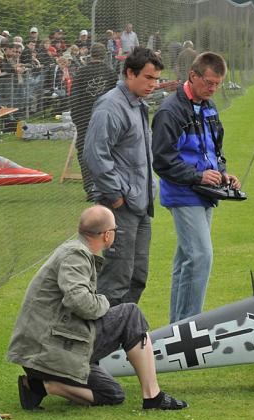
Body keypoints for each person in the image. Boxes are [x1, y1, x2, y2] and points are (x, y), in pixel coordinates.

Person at [7, 205, 187, 411]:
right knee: (130, 314)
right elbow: (78, 301)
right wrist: (104, 302)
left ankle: (40, 386)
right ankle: (153, 395)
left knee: (113, 394)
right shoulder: (75, 255)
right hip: (48, 353)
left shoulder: (74, 250)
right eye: (115, 230)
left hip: (42, 354)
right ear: (107, 235)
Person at [151, 52, 241, 323]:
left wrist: (223, 174)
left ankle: (176, 328)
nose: (213, 88)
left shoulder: (210, 107)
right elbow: (162, 160)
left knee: (186, 261)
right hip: (182, 192)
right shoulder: (170, 111)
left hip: (206, 193)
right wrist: (198, 177)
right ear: (193, 75)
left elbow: (215, 150)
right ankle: (191, 329)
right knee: (201, 256)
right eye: (210, 82)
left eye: (218, 83)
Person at [84, 47, 163, 306]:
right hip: (120, 207)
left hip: (140, 205)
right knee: (116, 279)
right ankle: (102, 343)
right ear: (130, 73)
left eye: (156, 79)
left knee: (137, 276)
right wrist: (116, 196)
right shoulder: (110, 106)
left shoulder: (137, 104)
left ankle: (124, 335)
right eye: (148, 78)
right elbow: (95, 154)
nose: (154, 84)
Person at [72, 43, 117, 202]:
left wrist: (75, 118)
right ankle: (106, 186)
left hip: (84, 117)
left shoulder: (80, 73)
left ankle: (90, 187)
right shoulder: (110, 73)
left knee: (84, 152)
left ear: (90, 54)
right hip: (105, 118)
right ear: (104, 55)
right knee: (107, 150)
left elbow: (74, 97)